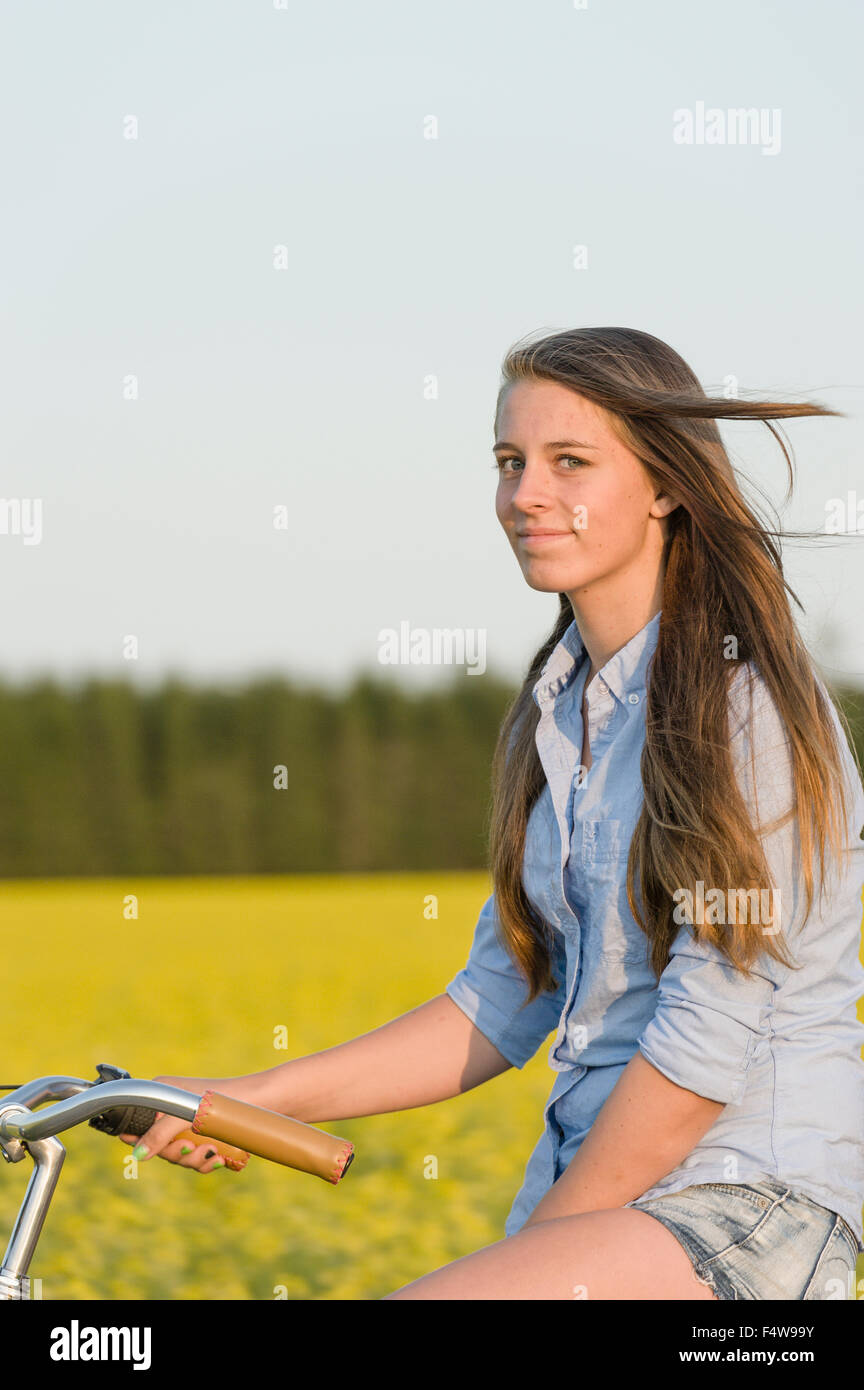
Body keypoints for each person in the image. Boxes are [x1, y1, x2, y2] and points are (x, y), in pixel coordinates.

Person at [124, 326, 864, 1300]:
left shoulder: (744, 707)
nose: (525, 495)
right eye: (510, 462)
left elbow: (704, 1047)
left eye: (569, 462)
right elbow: (499, 999)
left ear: (667, 485)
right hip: (614, 1209)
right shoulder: (559, 715)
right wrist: (235, 1100)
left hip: (745, 1206)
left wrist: (542, 1243)